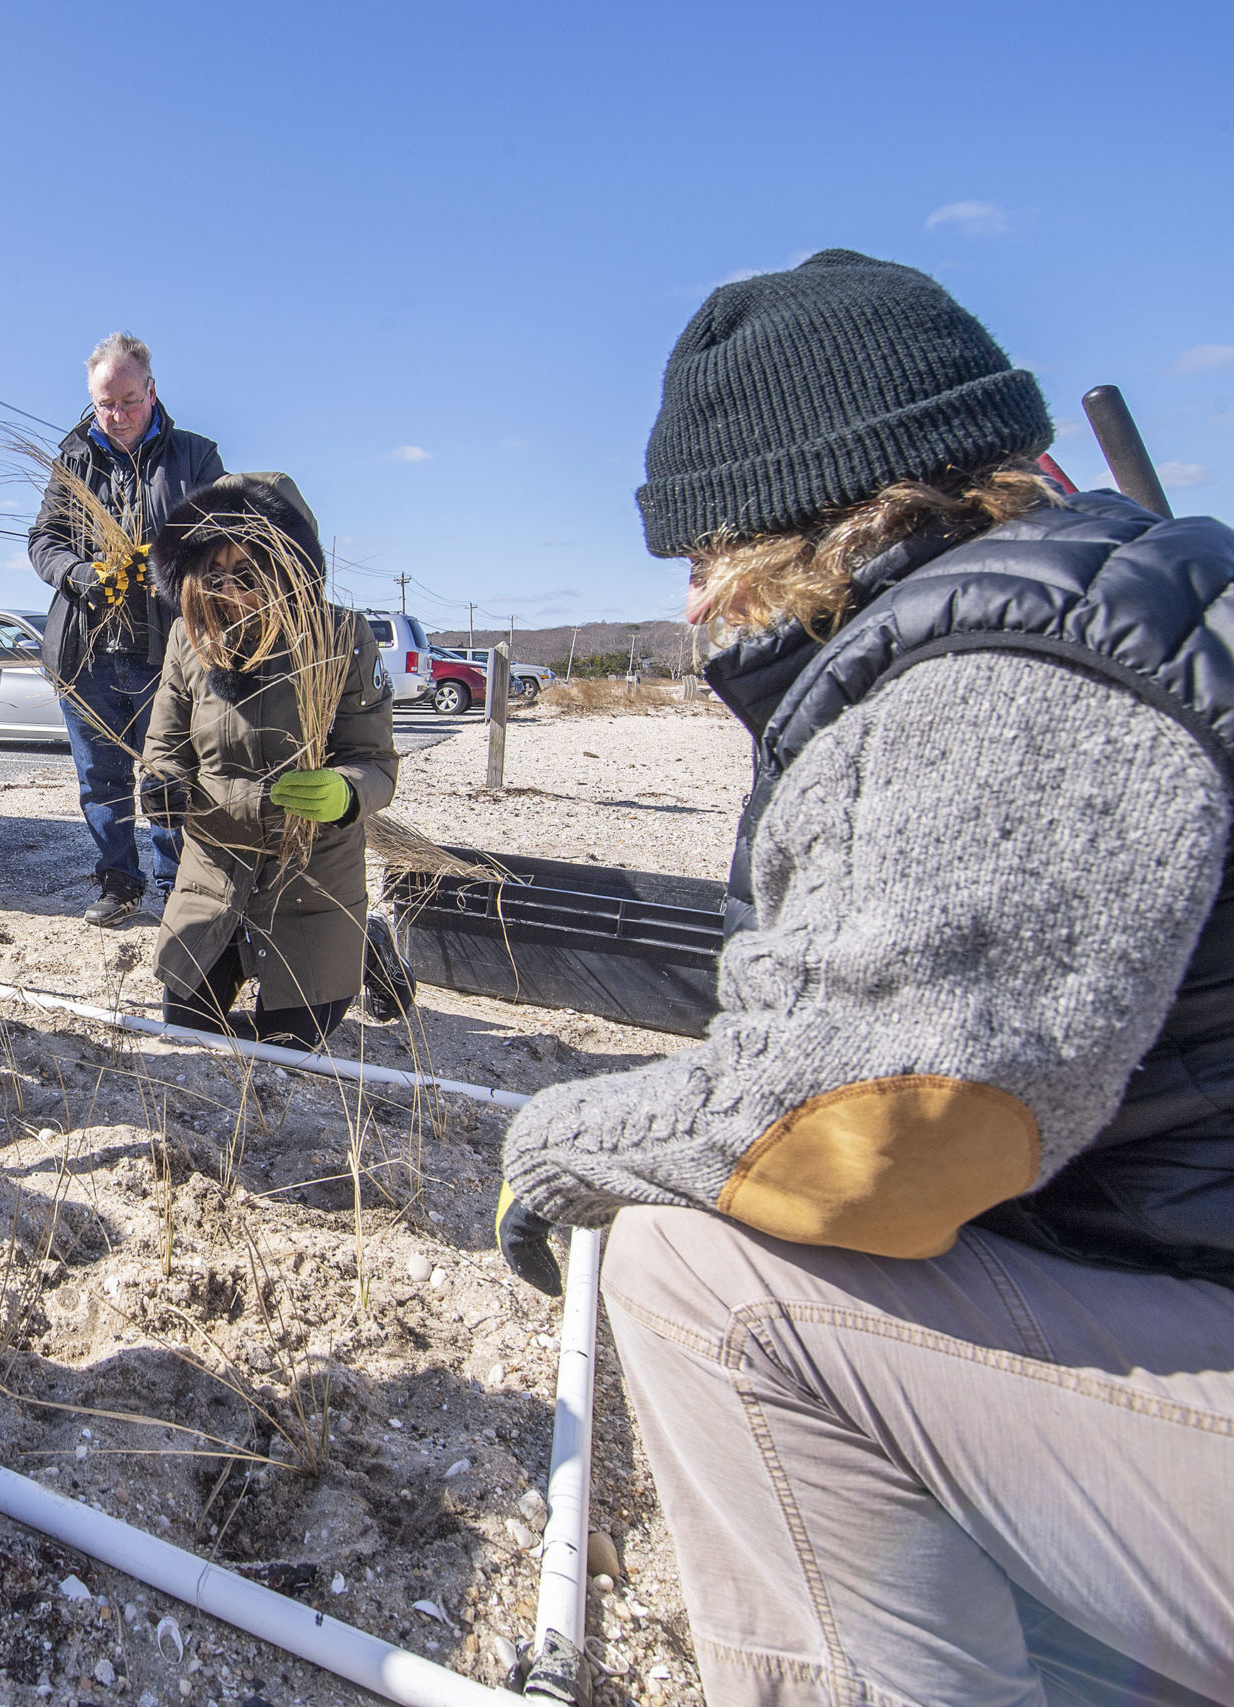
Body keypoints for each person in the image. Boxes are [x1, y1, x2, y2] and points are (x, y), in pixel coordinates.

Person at [495, 251, 1234, 1706]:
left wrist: (561, 1145)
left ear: (808, 516)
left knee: (705, 1273)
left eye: (702, 555)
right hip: (1186, 1275)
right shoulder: (1101, 597)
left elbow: (895, 1112)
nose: (700, 604)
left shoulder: (1012, 671)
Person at [140, 473, 395, 1050]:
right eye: (214, 574)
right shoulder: (188, 637)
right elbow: (164, 747)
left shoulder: (343, 637)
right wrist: (162, 786)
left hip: (311, 880)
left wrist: (345, 790)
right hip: (214, 870)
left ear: (288, 569)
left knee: (288, 1048)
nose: (230, 592)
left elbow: (376, 761)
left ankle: (364, 942)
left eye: (249, 574)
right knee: (188, 1031)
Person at [29, 333, 226, 925]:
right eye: (104, 404)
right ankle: (120, 883)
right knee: (100, 779)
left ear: (153, 390)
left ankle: (176, 888)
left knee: (170, 773)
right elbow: (44, 542)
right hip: (85, 652)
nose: (116, 416)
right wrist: (81, 573)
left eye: (129, 401)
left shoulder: (195, 457)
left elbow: (226, 540)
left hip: (168, 651)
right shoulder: (72, 462)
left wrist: (166, 563)